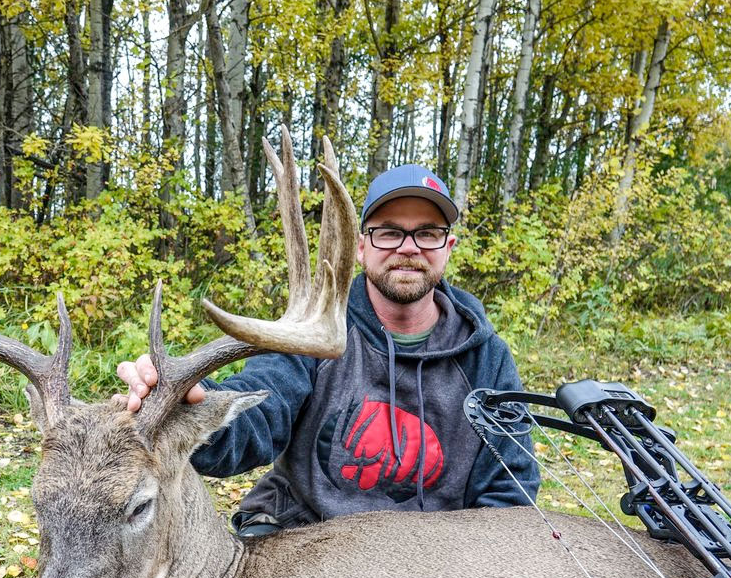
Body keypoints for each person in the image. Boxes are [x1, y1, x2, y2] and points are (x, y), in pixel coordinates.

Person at [115, 164, 540, 536]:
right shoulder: (314, 338)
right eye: (389, 232)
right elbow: (257, 416)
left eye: (427, 233)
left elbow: (509, 493)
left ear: (448, 247)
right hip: (303, 541)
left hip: (428, 565)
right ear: (361, 246)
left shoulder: (487, 360)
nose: (408, 248)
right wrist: (189, 403)